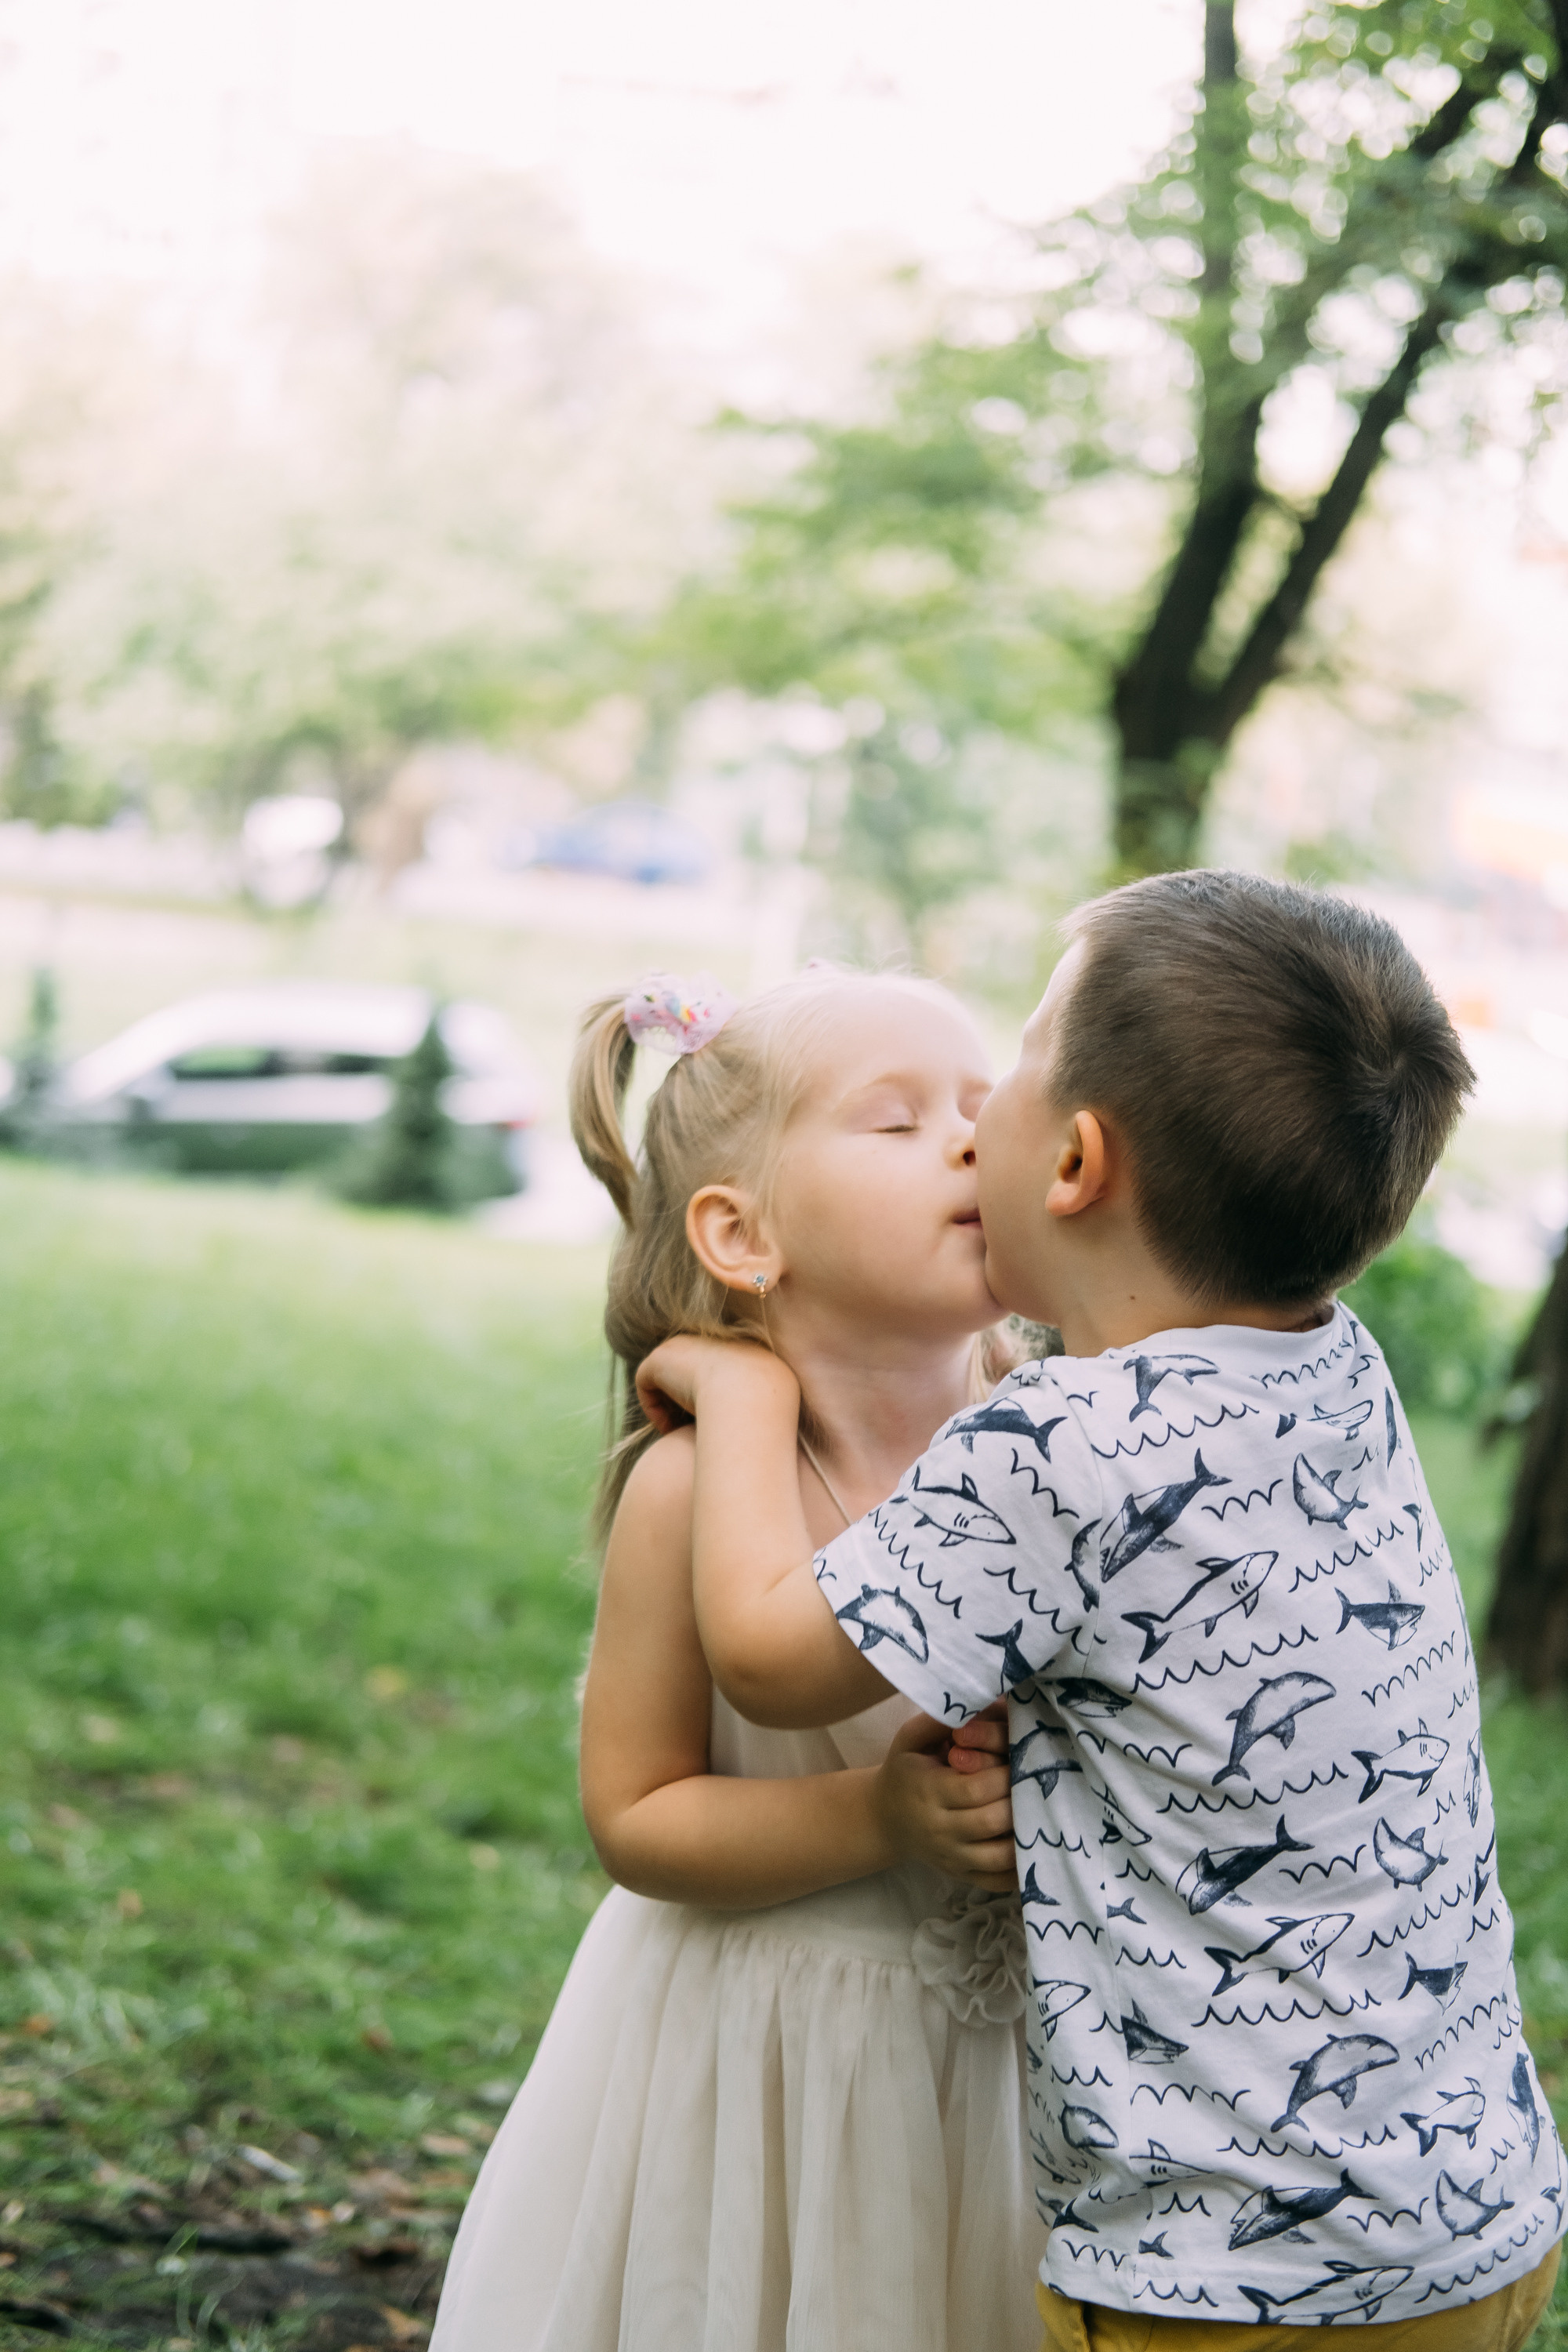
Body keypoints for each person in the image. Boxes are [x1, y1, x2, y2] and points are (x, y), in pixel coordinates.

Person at [640, 873, 1566, 2352]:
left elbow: (765, 1652)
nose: (963, 1128)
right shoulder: (1344, 1374)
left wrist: (741, 1394)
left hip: (1229, 2275)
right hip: (1478, 2219)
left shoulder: (1053, 1449)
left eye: (1002, 1070)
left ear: (1074, 1160)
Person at [430, 969, 1050, 2352]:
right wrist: (878, 1813)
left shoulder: (1050, 1444)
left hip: (1009, 2073)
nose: (966, 1141)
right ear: (742, 1233)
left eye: (980, 1108)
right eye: (894, 1125)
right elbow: (638, 1815)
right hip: (764, 2068)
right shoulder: (692, 1488)